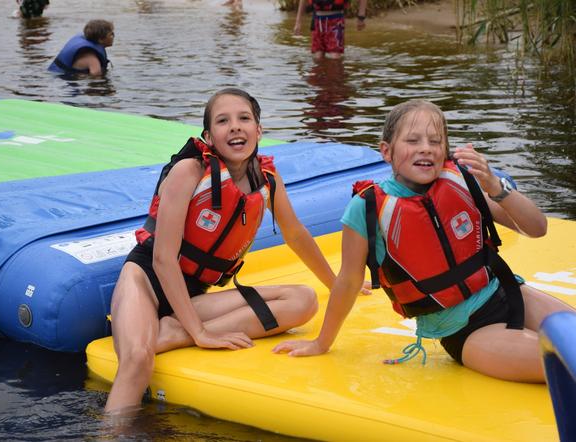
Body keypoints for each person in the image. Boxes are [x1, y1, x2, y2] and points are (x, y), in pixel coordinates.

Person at [274, 99, 575, 383]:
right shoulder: (366, 208)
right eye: (413, 140)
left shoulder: (461, 182)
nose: (426, 149)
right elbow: (349, 282)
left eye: (435, 141)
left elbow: (537, 228)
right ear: (387, 151)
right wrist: (322, 342)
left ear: (445, 150)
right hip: (467, 332)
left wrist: (495, 186)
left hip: (509, 292)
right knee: (567, 362)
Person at [105, 88, 352, 415]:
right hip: (147, 280)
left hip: (194, 295)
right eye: (223, 121)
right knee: (137, 359)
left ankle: (171, 332)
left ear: (259, 130)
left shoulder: (267, 180)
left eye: (244, 118)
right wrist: (201, 332)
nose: (235, 126)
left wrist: (336, 283)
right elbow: (163, 259)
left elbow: (295, 233)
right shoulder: (189, 172)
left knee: (304, 301)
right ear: (209, 136)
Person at [294, 0, 367, 60]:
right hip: (317, 21)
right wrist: (298, 22)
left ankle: (335, 76)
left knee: (335, 57)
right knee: (318, 58)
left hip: (336, 21)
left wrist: (361, 17)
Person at [48, 19, 114, 76]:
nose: (113, 36)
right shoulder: (92, 59)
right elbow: (96, 81)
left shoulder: (90, 51)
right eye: (111, 34)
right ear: (101, 39)